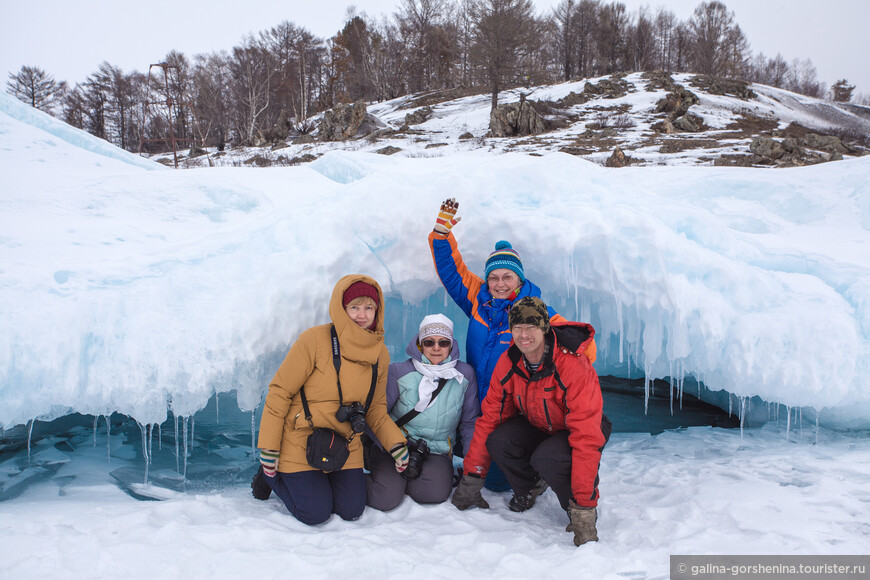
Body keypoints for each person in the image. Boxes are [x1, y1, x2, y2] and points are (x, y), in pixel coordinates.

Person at [428, 197, 597, 491]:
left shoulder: (532, 311)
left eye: (507, 276)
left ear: (519, 279)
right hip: (481, 401)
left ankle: (537, 466)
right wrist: (441, 235)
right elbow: (451, 273)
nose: (500, 283)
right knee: (477, 461)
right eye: (493, 277)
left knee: (497, 483)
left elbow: (574, 338)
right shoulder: (479, 302)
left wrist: (576, 351)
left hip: (515, 409)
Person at [451, 297, 611, 547]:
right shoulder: (509, 362)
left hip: (583, 429)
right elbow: (489, 419)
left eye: (531, 326)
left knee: (548, 458)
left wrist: (584, 506)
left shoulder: (571, 364)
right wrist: (472, 478)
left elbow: (586, 438)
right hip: (541, 423)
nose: (524, 334)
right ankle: (529, 488)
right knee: (499, 440)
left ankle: (575, 507)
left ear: (545, 328)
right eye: (517, 327)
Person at [251, 274, 409, 525]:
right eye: (354, 307)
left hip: (346, 443)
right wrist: (270, 447)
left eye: (369, 307)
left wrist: (396, 445)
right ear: (342, 308)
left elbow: (376, 410)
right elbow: (280, 391)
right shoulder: (314, 340)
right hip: (302, 440)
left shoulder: (380, 353)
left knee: (352, 511)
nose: (362, 314)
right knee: (315, 514)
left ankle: (316, 484)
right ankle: (271, 475)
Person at [366, 314, 479, 510]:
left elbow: (469, 423)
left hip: (436, 450)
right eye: (429, 342)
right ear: (420, 344)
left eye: (443, 342)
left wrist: (472, 464)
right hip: (395, 445)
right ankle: (367, 477)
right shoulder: (398, 372)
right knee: (385, 499)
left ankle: (402, 479)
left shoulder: (465, 375)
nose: (436, 348)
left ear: (451, 345)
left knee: (432, 494)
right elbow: (377, 414)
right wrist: (393, 447)